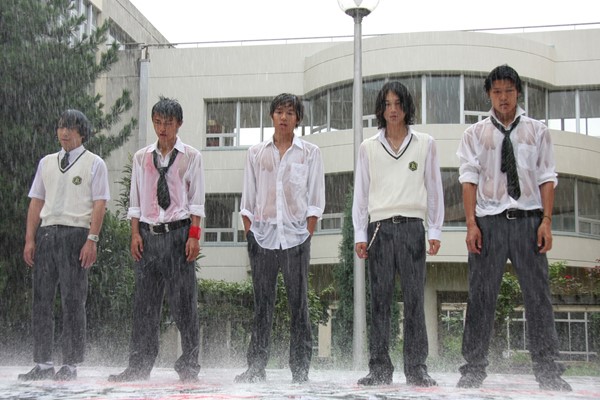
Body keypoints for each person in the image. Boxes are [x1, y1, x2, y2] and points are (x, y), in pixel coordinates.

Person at [456, 65, 571, 391]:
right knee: (480, 297)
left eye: (508, 91)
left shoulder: (537, 130)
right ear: (489, 95)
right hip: (488, 224)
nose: (503, 98)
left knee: (538, 297)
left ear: (518, 92)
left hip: (528, 221)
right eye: (497, 92)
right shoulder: (474, 134)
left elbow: (547, 177)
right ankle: (472, 370)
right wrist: (471, 224)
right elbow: (468, 180)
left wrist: (546, 221)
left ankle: (548, 372)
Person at [353, 81, 444, 387]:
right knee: (379, 301)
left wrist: (435, 229)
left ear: (407, 107)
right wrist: (360, 234)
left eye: (398, 104)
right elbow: (361, 194)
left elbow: (434, 189)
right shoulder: (368, 147)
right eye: (387, 104)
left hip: (412, 228)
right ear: (381, 109)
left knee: (415, 299)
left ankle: (417, 368)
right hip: (379, 228)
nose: (393, 110)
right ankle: (379, 368)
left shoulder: (425, 143)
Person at [108, 97, 205, 383]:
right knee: (145, 305)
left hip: (178, 235)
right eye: (158, 122)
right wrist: (134, 234)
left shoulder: (191, 156)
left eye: (169, 123)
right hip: (148, 235)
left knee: (184, 304)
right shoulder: (142, 157)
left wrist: (194, 237)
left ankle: (189, 366)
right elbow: (135, 201)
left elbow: (197, 202)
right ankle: (138, 365)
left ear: (179, 124)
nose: (163, 128)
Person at [235, 93, 325, 384]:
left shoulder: (309, 153)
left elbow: (315, 199)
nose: (284, 117)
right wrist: (250, 233)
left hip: (296, 238)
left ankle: (300, 369)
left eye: (290, 112)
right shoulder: (256, 153)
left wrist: (307, 232)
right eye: (279, 112)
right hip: (262, 237)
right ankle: (256, 366)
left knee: (299, 304)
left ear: (298, 118)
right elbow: (248, 199)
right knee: (262, 304)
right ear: (272, 116)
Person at [19, 110, 109, 381]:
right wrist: (30, 238)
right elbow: (36, 201)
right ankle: (43, 362)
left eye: (70, 128)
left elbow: (100, 204)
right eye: (60, 127)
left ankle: (70, 363)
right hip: (47, 233)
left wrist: (92, 239)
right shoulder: (46, 162)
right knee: (41, 299)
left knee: (73, 300)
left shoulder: (94, 163)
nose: (64, 132)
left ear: (82, 132)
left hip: (76, 234)